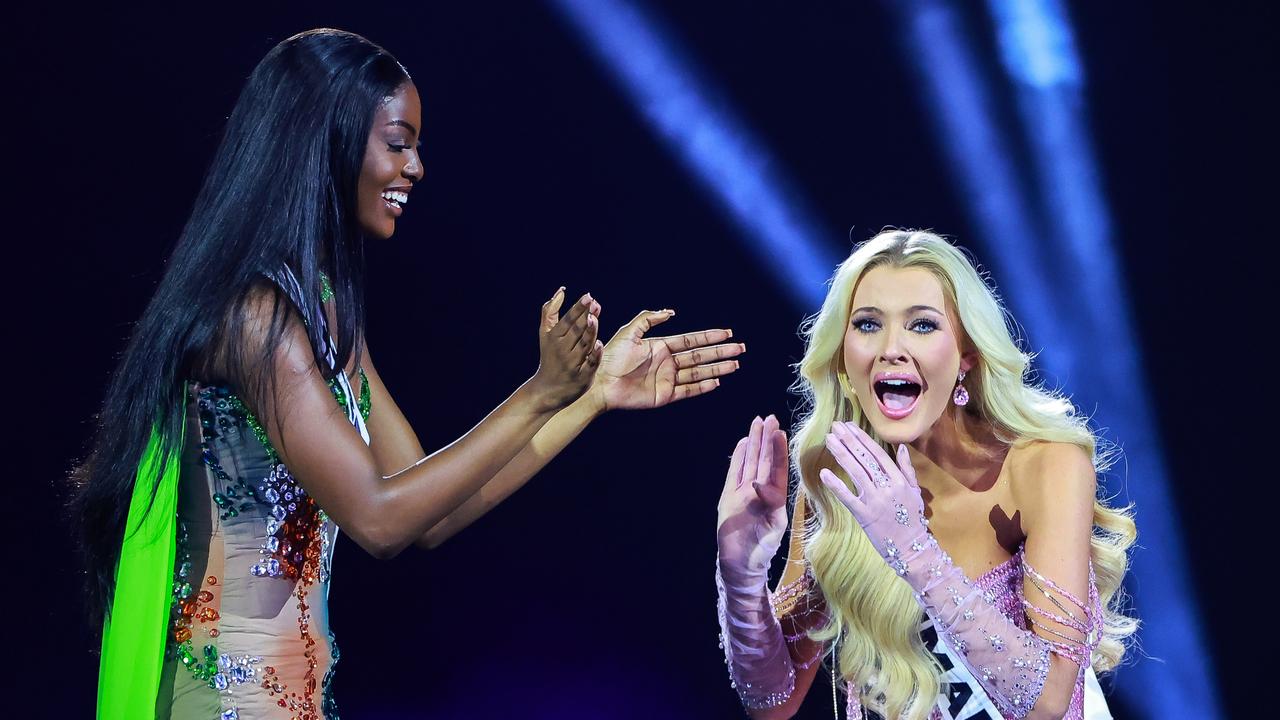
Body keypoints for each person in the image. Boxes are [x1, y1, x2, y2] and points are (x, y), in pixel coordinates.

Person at [71, 28, 744, 720]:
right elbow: (379, 519)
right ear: (326, 141)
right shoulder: (253, 322)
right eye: (398, 143)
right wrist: (538, 391)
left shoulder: (325, 313)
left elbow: (430, 509)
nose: (416, 167)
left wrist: (584, 399)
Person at [714, 230, 1137, 720]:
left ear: (967, 358)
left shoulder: (1045, 466)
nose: (892, 348)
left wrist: (911, 546)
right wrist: (740, 574)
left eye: (922, 325)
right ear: (845, 360)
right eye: (868, 324)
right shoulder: (839, 482)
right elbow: (773, 701)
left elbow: (1046, 702)